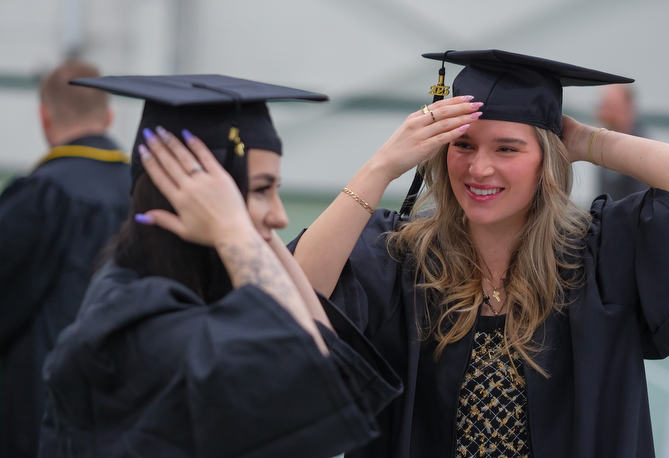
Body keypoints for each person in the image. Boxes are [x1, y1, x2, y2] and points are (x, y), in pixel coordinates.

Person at [290, 49, 669, 458]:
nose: (480, 167)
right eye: (463, 144)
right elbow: (297, 296)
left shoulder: (597, 255)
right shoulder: (401, 257)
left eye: (508, 148)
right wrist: (381, 166)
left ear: (546, 159)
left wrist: (586, 142)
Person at [38, 75, 401, 457]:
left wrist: (252, 228)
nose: (280, 216)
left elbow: (328, 364)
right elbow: (307, 374)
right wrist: (236, 229)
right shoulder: (135, 318)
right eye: (261, 190)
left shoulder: (202, 291)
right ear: (193, 197)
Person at [0, 60, 130, 458]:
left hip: (39, 416)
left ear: (44, 117)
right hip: (131, 409)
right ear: (108, 116)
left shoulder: (39, 196)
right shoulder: (149, 192)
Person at [595, 83, 649, 199]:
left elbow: (642, 199)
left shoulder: (640, 147)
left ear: (627, 107)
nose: (604, 111)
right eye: (604, 104)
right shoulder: (604, 143)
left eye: (611, 105)